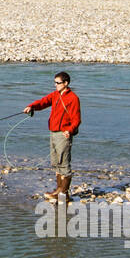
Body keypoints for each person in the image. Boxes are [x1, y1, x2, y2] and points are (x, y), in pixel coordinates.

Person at [23, 72, 81, 203]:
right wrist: (31, 106)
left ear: (66, 83)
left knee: (64, 163)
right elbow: (43, 102)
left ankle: (64, 194)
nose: (55, 85)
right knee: (56, 163)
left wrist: (70, 130)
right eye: (55, 82)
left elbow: (77, 119)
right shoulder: (55, 95)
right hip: (53, 132)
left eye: (58, 83)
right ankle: (58, 190)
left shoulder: (73, 98)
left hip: (63, 134)